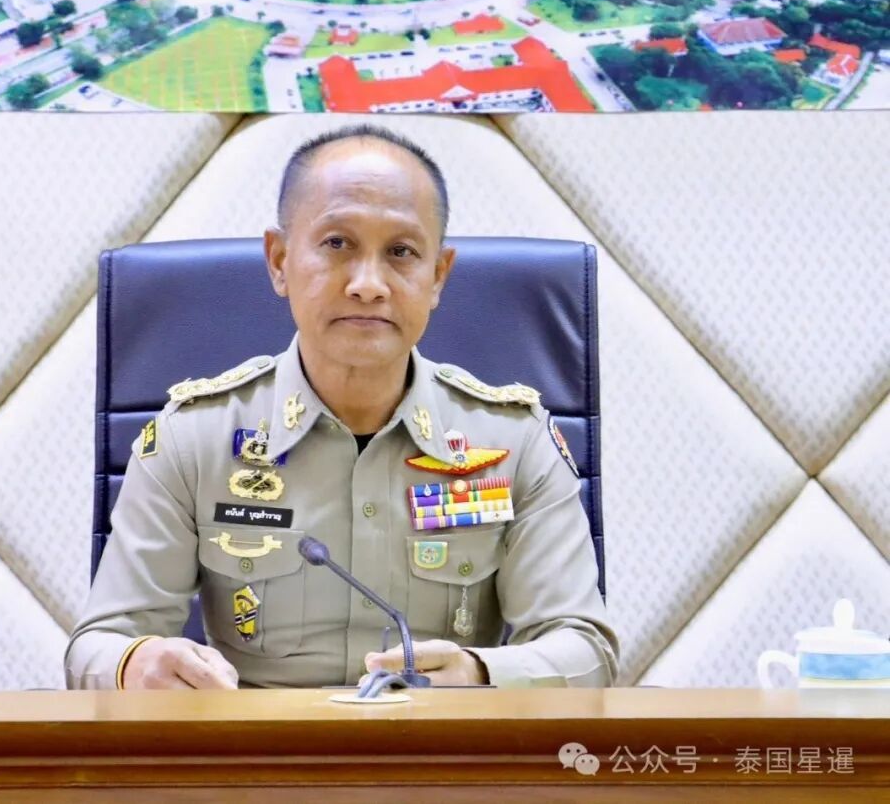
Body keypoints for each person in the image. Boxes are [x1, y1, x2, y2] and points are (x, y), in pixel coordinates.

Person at [65, 124, 619, 691]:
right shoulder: (193, 437)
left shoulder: (512, 441)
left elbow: (586, 650)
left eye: (401, 252)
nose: (368, 284)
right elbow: (99, 645)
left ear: (438, 276)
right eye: (337, 244)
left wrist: (480, 673)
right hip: (256, 742)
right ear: (279, 260)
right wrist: (137, 664)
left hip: (442, 739)